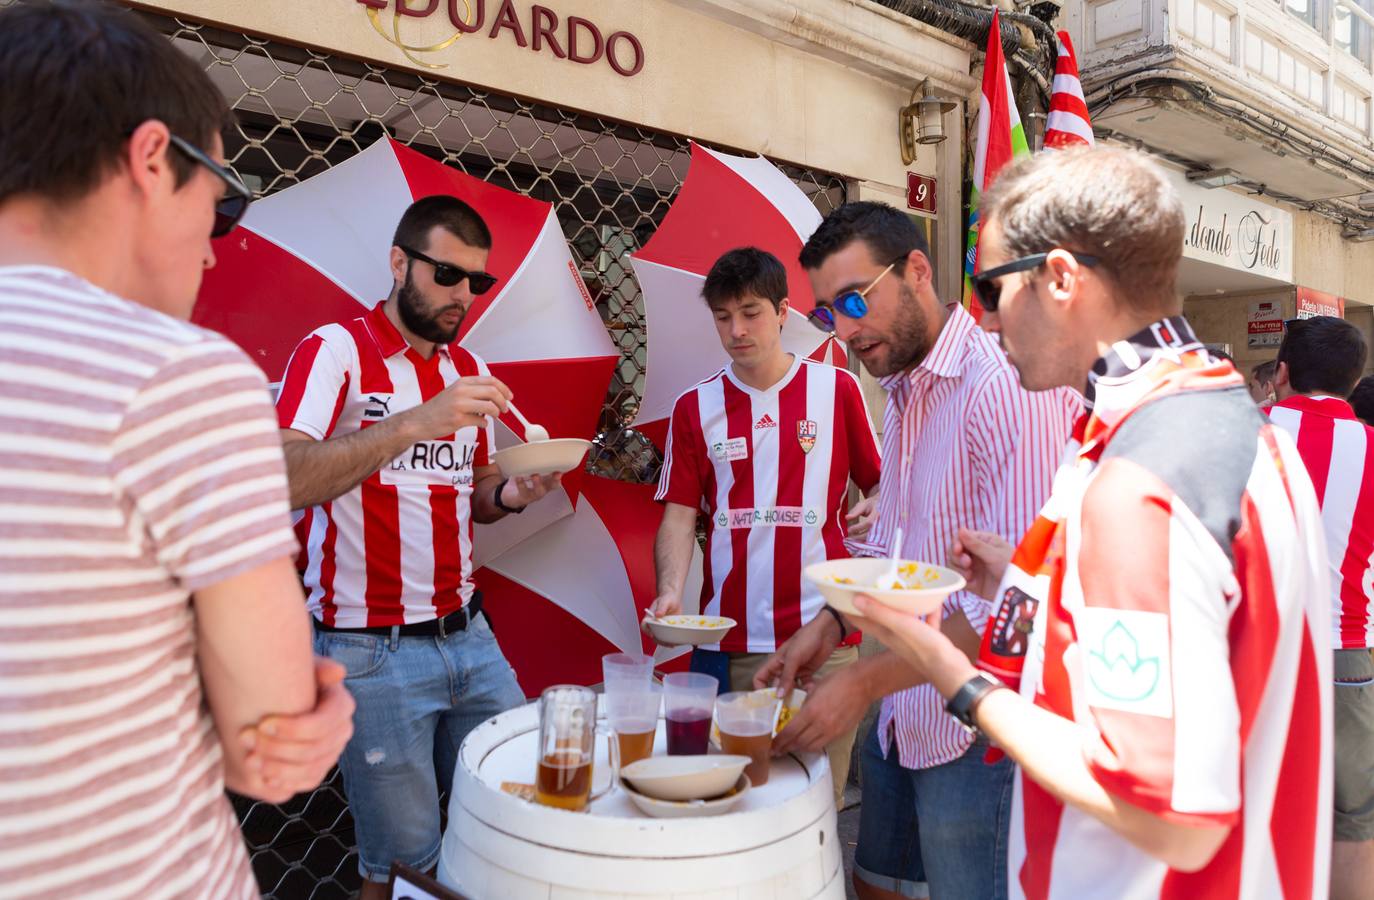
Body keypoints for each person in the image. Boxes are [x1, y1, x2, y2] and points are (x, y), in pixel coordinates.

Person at [852, 146, 1332, 899]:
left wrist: (952, 675)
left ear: (1063, 279)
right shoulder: (1238, 430)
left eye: (991, 288)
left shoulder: (1138, 481)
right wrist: (1033, 575)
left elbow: (1170, 815)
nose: (981, 317)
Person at [0, 2, 354, 897]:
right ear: (153, 158)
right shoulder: (172, 376)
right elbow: (272, 747)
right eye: (222, 199)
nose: (212, 247)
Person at [754, 204, 1080, 900]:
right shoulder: (903, 389)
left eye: (853, 300)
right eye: (826, 314)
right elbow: (894, 549)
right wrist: (828, 627)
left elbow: (1016, 608)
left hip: (983, 735)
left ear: (919, 272)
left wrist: (861, 685)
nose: (843, 330)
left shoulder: (1004, 386)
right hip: (905, 717)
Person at [276, 194, 560, 898]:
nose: (462, 294)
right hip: (367, 650)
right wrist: (415, 422)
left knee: (521, 808)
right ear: (399, 262)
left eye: (476, 282)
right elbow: (279, 475)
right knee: (405, 863)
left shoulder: (470, 368)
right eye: (446, 273)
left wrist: (513, 495)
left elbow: (481, 492)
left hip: (469, 637)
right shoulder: (335, 351)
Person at [646, 246, 881, 805]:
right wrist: (670, 591)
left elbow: (882, 484)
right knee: (739, 798)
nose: (736, 330)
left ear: (782, 312)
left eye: (750, 313)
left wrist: (877, 503)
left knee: (814, 799)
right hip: (731, 645)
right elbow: (679, 518)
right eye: (723, 317)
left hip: (825, 639)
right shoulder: (693, 407)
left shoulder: (838, 390)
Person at [1267, 316, 1374, 900]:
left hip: (1261, 648)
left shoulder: (1248, 430)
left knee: (1259, 799)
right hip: (1347, 647)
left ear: (1281, 373)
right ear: (1353, 384)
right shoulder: (1372, 447)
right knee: (1353, 815)